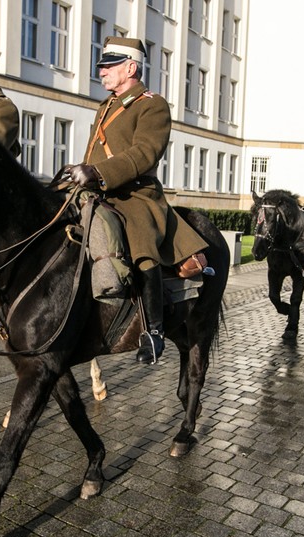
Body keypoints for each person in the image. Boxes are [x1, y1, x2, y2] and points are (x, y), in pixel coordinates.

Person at [67, 36, 210, 365]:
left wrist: (100, 173)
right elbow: (94, 153)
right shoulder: (107, 106)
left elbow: (144, 153)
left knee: (140, 240)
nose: (101, 72)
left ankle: (154, 330)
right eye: (101, 66)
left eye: (108, 66)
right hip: (99, 191)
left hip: (135, 193)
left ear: (130, 67)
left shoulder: (151, 104)